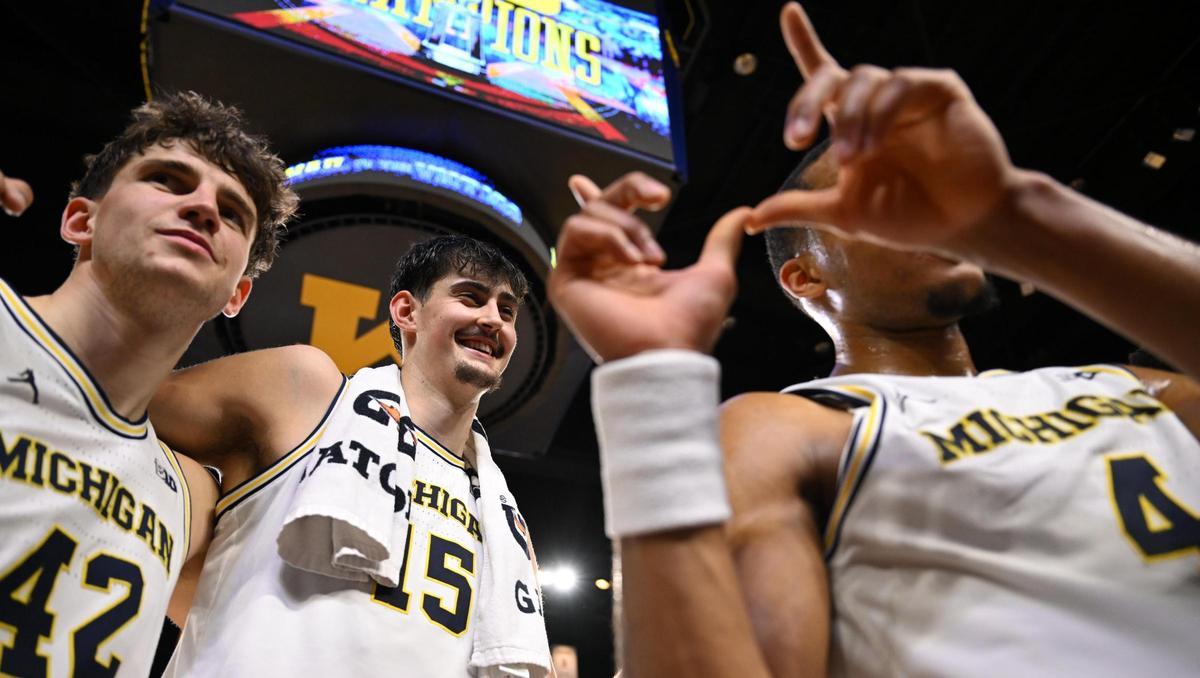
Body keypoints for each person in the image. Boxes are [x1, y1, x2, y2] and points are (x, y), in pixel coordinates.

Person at [548, 3, 1200, 676]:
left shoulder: (1130, 386)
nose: (924, 212)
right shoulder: (788, 428)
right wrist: (651, 386)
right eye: (882, 201)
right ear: (805, 278)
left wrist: (1017, 213)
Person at [152, 235, 552, 676]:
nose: (493, 318)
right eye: (470, 297)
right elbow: (122, 402)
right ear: (406, 312)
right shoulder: (308, 393)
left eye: (507, 310)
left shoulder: (507, 526)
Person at [0, 91, 295, 677]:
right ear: (82, 219)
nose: (204, 207)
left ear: (236, 293)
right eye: (167, 180)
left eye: (232, 212)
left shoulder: (191, 498)